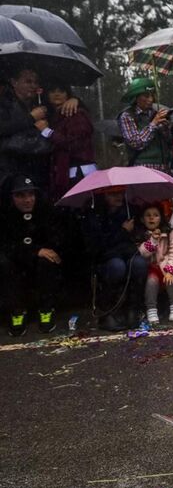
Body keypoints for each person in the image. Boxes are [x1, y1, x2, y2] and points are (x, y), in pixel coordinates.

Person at [0, 176, 63, 335]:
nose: (27, 200)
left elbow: (56, 240)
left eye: (30, 195)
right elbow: (5, 245)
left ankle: (46, 309)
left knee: (48, 260)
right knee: (4, 263)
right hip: (16, 261)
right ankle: (17, 311)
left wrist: (41, 252)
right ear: (12, 197)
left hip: (39, 263)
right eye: (20, 196)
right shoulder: (5, 215)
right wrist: (34, 251)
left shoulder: (46, 212)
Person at [83, 187, 148, 331]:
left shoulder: (130, 211)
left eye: (120, 193)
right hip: (105, 258)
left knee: (139, 264)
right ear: (104, 195)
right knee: (117, 267)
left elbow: (138, 236)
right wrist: (122, 231)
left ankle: (133, 308)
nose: (118, 197)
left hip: (127, 253)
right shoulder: (95, 215)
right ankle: (108, 310)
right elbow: (97, 245)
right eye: (113, 194)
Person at [0, 68, 53, 189]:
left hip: (38, 169)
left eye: (36, 82)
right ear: (14, 82)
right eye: (28, 82)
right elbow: (3, 128)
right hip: (11, 169)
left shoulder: (40, 104)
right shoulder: (4, 104)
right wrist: (30, 118)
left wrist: (76, 100)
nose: (33, 86)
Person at [43, 82, 96, 201]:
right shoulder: (53, 116)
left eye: (61, 91)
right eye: (52, 91)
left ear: (68, 94)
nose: (57, 94)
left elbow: (75, 144)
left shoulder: (76, 114)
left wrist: (47, 132)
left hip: (79, 174)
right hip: (63, 174)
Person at [135, 204, 173, 325]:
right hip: (151, 268)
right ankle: (151, 309)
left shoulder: (170, 233)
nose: (152, 218)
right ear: (142, 219)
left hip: (167, 266)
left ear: (161, 218)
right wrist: (152, 241)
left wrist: (170, 270)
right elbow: (141, 253)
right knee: (151, 282)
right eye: (148, 215)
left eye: (156, 215)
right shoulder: (141, 235)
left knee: (172, 280)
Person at [118, 77, 172, 173]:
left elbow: (169, 142)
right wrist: (153, 124)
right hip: (141, 168)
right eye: (146, 96)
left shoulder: (157, 114)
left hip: (163, 167)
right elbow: (136, 143)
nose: (151, 99)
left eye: (152, 95)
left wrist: (165, 128)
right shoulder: (127, 116)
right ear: (136, 97)